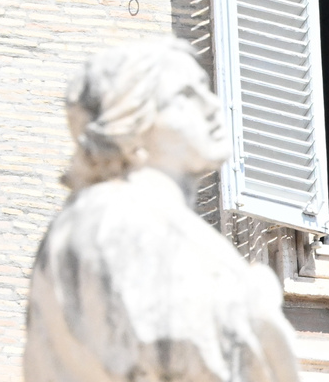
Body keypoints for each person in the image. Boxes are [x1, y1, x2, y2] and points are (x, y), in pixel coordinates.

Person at [24, 37, 299, 382]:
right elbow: (175, 359)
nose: (212, 105)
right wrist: (251, 311)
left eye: (205, 89)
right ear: (129, 125)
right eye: (185, 96)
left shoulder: (147, 220)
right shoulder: (117, 220)